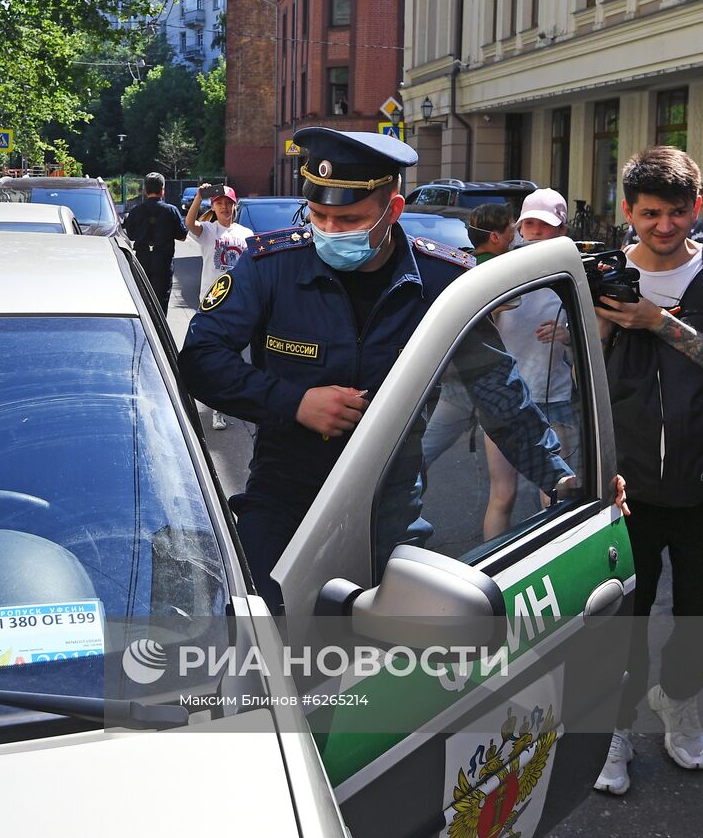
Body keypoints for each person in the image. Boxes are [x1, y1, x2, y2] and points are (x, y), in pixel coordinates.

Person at [179, 126, 574, 609]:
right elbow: (201, 359)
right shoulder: (270, 267)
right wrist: (294, 402)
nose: (329, 230)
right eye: (318, 215)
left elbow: (499, 394)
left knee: (390, 655)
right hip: (284, 492)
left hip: (389, 504)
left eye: (348, 218)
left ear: (393, 210)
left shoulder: (444, 283)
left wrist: (560, 477)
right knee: (265, 636)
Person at [593, 145, 703, 797]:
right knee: (620, 620)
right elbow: (582, 369)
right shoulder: (604, 271)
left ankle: (679, 695)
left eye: (677, 211)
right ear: (628, 211)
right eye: (650, 213)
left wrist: (655, 321)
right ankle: (614, 725)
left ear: (699, 205)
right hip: (623, 482)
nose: (665, 226)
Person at [481, 189, 578, 541]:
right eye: (530, 224)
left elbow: (593, 338)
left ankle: (554, 567)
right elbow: (476, 333)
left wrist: (566, 334)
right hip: (505, 398)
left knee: (556, 493)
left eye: (545, 225)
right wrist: (491, 311)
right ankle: (488, 574)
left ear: (562, 230)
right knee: (502, 494)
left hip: (555, 398)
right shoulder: (502, 270)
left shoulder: (570, 276)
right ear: (520, 228)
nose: (535, 232)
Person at [418, 201, 517, 472]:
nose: (516, 235)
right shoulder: (504, 272)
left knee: (422, 455)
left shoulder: (462, 266)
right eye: (512, 229)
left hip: (458, 379)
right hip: (486, 381)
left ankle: (391, 487)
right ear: (495, 237)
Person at [185, 183, 253, 430]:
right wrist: (198, 197)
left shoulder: (245, 233)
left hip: (238, 302)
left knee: (232, 355)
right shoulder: (208, 231)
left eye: (228, 203)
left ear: (235, 206)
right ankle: (207, 401)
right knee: (210, 354)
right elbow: (189, 224)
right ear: (213, 207)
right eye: (219, 203)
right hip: (211, 301)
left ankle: (222, 408)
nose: (224, 207)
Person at [124, 172, 187, 313]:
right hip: (163, 260)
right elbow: (182, 236)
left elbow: (131, 235)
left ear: (145, 191)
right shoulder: (171, 210)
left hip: (142, 259)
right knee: (161, 301)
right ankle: (159, 331)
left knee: (142, 299)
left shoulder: (135, 211)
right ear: (162, 191)